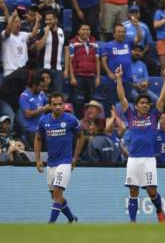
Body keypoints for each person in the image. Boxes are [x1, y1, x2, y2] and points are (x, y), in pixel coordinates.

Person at [115, 64, 165, 223]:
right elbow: (122, 98)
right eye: (142, 103)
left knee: (152, 192)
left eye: (147, 103)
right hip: (133, 159)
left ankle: (159, 211)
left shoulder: (153, 117)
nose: (145, 105)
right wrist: (119, 79)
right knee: (133, 190)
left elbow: (162, 97)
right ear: (137, 105)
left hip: (148, 159)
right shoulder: (131, 116)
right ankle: (133, 223)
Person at [34, 92, 85, 223]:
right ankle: (71, 219)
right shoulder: (43, 121)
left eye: (60, 104)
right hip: (51, 163)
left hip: (65, 162)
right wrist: (38, 159)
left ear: (64, 104)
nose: (57, 106)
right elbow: (38, 139)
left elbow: (81, 137)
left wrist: (75, 158)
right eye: (54, 104)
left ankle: (50, 224)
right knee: (55, 196)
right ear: (50, 106)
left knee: (57, 192)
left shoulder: (71, 120)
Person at [69, 23, 100, 117]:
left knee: (90, 101)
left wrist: (98, 77)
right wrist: (72, 77)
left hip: (91, 76)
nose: (86, 31)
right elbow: (69, 61)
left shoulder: (94, 43)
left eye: (88, 29)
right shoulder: (73, 43)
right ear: (78, 31)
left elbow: (98, 61)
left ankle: (88, 120)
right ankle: (77, 119)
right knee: (75, 99)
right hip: (78, 76)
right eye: (83, 29)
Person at [35, 10, 67, 93]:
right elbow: (38, 47)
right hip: (43, 68)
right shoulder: (42, 31)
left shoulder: (62, 32)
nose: (48, 22)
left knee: (58, 94)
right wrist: (46, 33)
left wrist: (66, 69)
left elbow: (66, 50)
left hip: (58, 69)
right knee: (41, 93)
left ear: (55, 20)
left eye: (50, 19)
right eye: (46, 20)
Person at [18, 75, 50, 149]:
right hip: (31, 130)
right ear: (34, 86)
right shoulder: (24, 96)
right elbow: (28, 114)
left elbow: (48, 102)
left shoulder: (41, 93)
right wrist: (43, 109)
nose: (43, 88)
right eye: (41, 86)